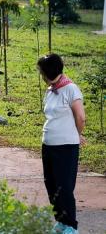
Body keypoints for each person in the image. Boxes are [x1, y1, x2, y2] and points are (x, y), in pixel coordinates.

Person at [37, 54, 86, 234]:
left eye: (42, 71)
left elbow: (81, 117)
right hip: (48, 144)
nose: (41, 74)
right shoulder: (50, 90)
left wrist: (77, 134)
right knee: (51, 185)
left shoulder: (71, 89)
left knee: (64, 187)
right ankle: (60, 221)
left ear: (48, 71)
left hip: (66, 146)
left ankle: (71, 226)